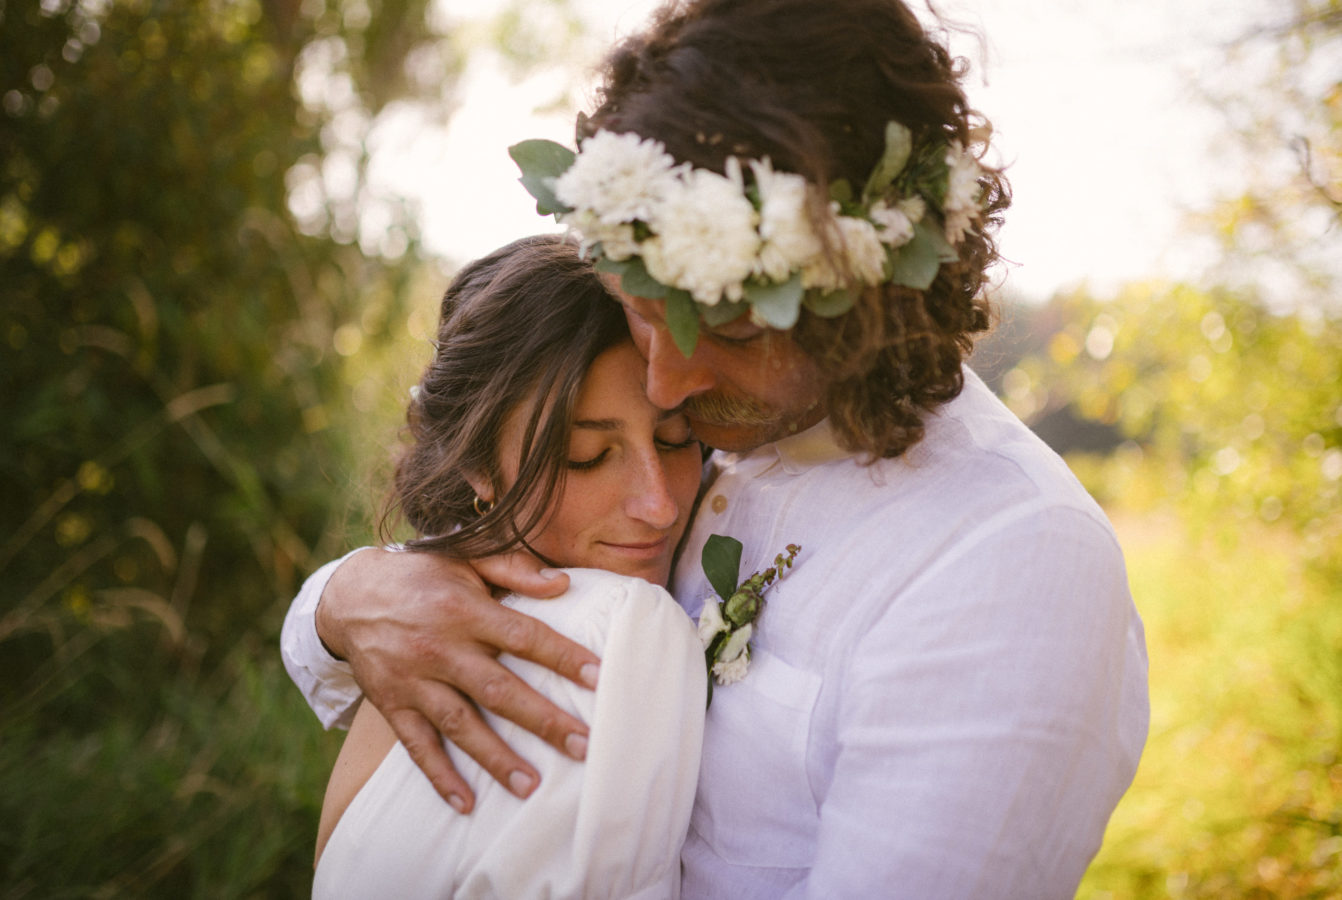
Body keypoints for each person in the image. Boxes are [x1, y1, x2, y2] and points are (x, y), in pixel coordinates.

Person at [283, 0, 1150, 896]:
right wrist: (344, 602)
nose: (664, 382)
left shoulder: (1008, 558)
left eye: (729, 329)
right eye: (642, 311)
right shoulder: (709, 425)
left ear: (865, 305)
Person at [307, 235, 707, 898]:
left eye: (677, 438)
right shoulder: (624, 626)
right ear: (477, 465)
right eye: (585, 454)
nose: (659, 504)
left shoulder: (400, 628)